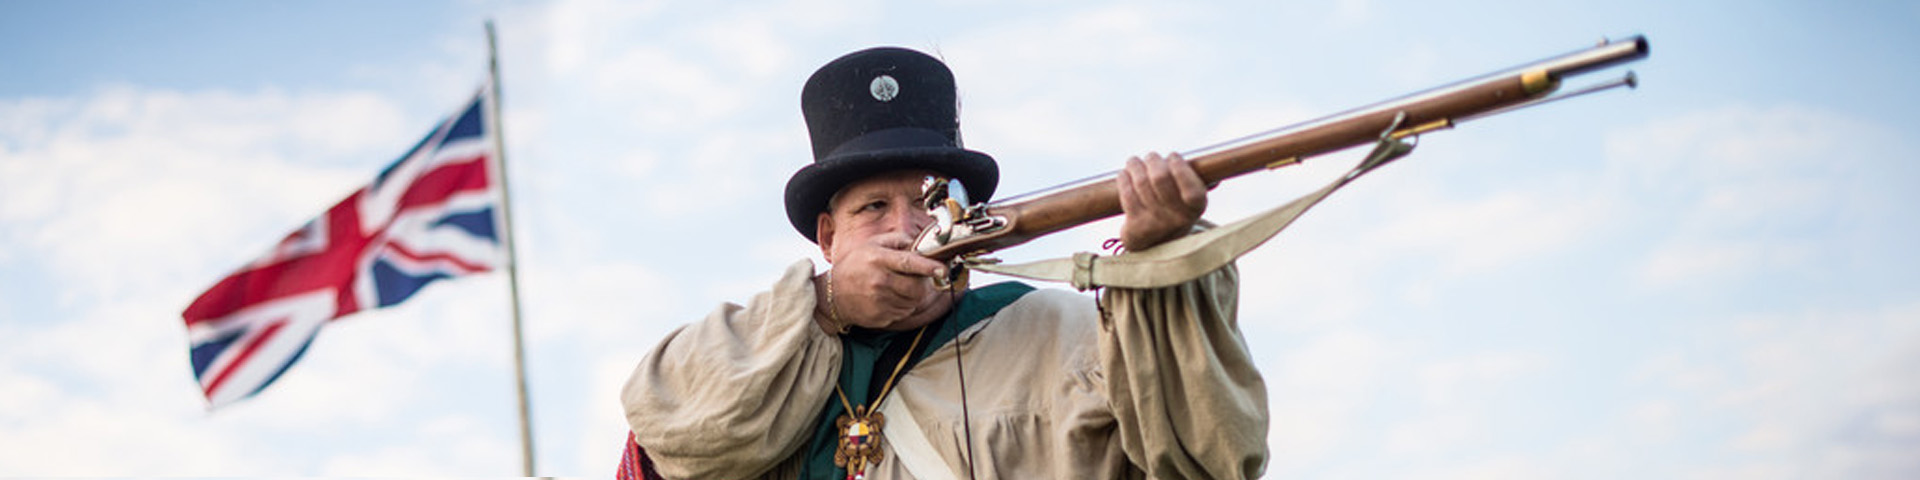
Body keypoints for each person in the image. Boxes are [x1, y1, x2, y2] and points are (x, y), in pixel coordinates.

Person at [621, 46, 1268, 480]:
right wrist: (827, 303)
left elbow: (1209, 452)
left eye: (933, 202)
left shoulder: (1056, 332)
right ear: (827, 236)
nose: (906, 228)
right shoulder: (771, 358)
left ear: (968, 214)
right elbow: (660, 429)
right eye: (873, 207)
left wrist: (1163, 261)